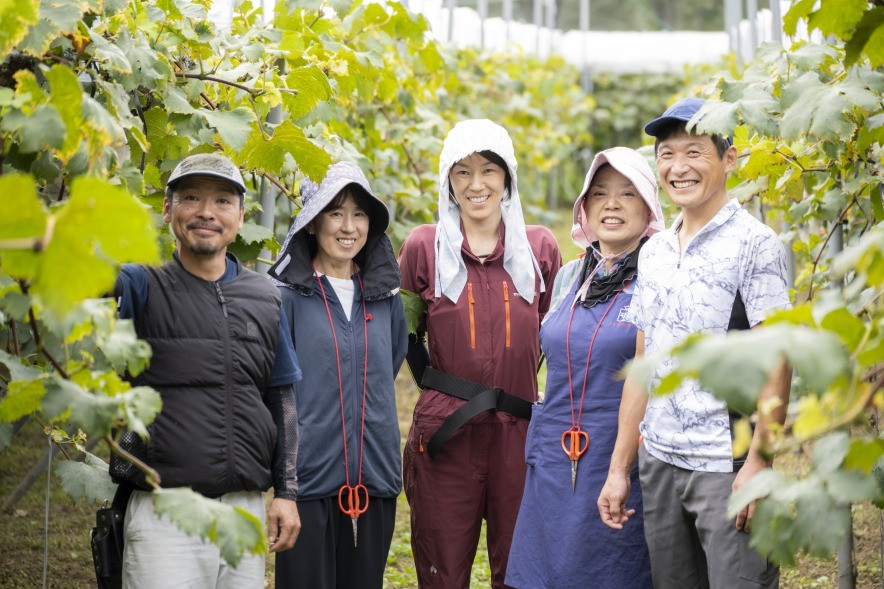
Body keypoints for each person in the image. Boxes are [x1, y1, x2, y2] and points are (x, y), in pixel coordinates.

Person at [597, 97, 792, 589]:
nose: (678, 168)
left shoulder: (756, 244)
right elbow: (645, 360)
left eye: (694, 152)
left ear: (729, 159)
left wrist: (760, 462)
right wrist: (620, 468)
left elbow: (778, 359)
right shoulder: (656, 250)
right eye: (666, 154)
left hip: (725, 466)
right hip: (660, 460)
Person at [110, 153, 303, 588]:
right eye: (191, 197)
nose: (205, 212)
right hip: (165, 513)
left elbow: (282, 402)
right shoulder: (143, 283)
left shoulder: (266, 296)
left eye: (221, 201)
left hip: (243, 511)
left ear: (239, 214)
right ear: (167, 209)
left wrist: (287, 494)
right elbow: (96, 281)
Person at [399, 119, 562, 589]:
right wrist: (444, 395)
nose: (476, 184)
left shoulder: (539, 248)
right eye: (462, 171)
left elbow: (546, 333)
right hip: (449, 435)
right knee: (442, 569)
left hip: (520, 433)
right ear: (448, 181)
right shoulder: (423, 247)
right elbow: (410, 337)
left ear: (508, 177)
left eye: (489, 170)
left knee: (518, 569)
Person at [506, 147, 663, 589]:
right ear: (585, 208)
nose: (611, 204)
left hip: (617, 455)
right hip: (554, 459)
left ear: (649, 206)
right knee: (543, 572)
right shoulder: (569, 277)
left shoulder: (658, 279)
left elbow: (654, 378)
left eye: (627, 194)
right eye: (599, 194)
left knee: (609, 572)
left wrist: (620, 467)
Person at [268, 161, 408, 589]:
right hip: (306, 482)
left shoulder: (385, 298)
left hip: (375, 478)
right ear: (311, 223)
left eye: (360, 214)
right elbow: (276, 390)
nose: (349, 226)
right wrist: (284, 487)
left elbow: (391, 363)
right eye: (335, 212)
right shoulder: (285, 297)